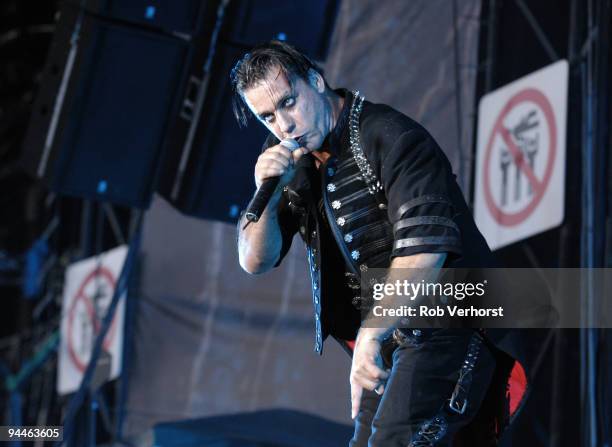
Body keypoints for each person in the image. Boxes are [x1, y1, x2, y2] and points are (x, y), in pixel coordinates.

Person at [233, 40, 520, 446]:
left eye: (289, 102)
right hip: (391, 335)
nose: (284, 125)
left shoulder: (388, 135)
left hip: (453, 313)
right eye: (267, 116)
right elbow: (252, 261)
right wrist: (270, 192)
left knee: (392, 440)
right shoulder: (289, 163)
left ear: (316, 80)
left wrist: (370, 334)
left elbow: (424, 250)